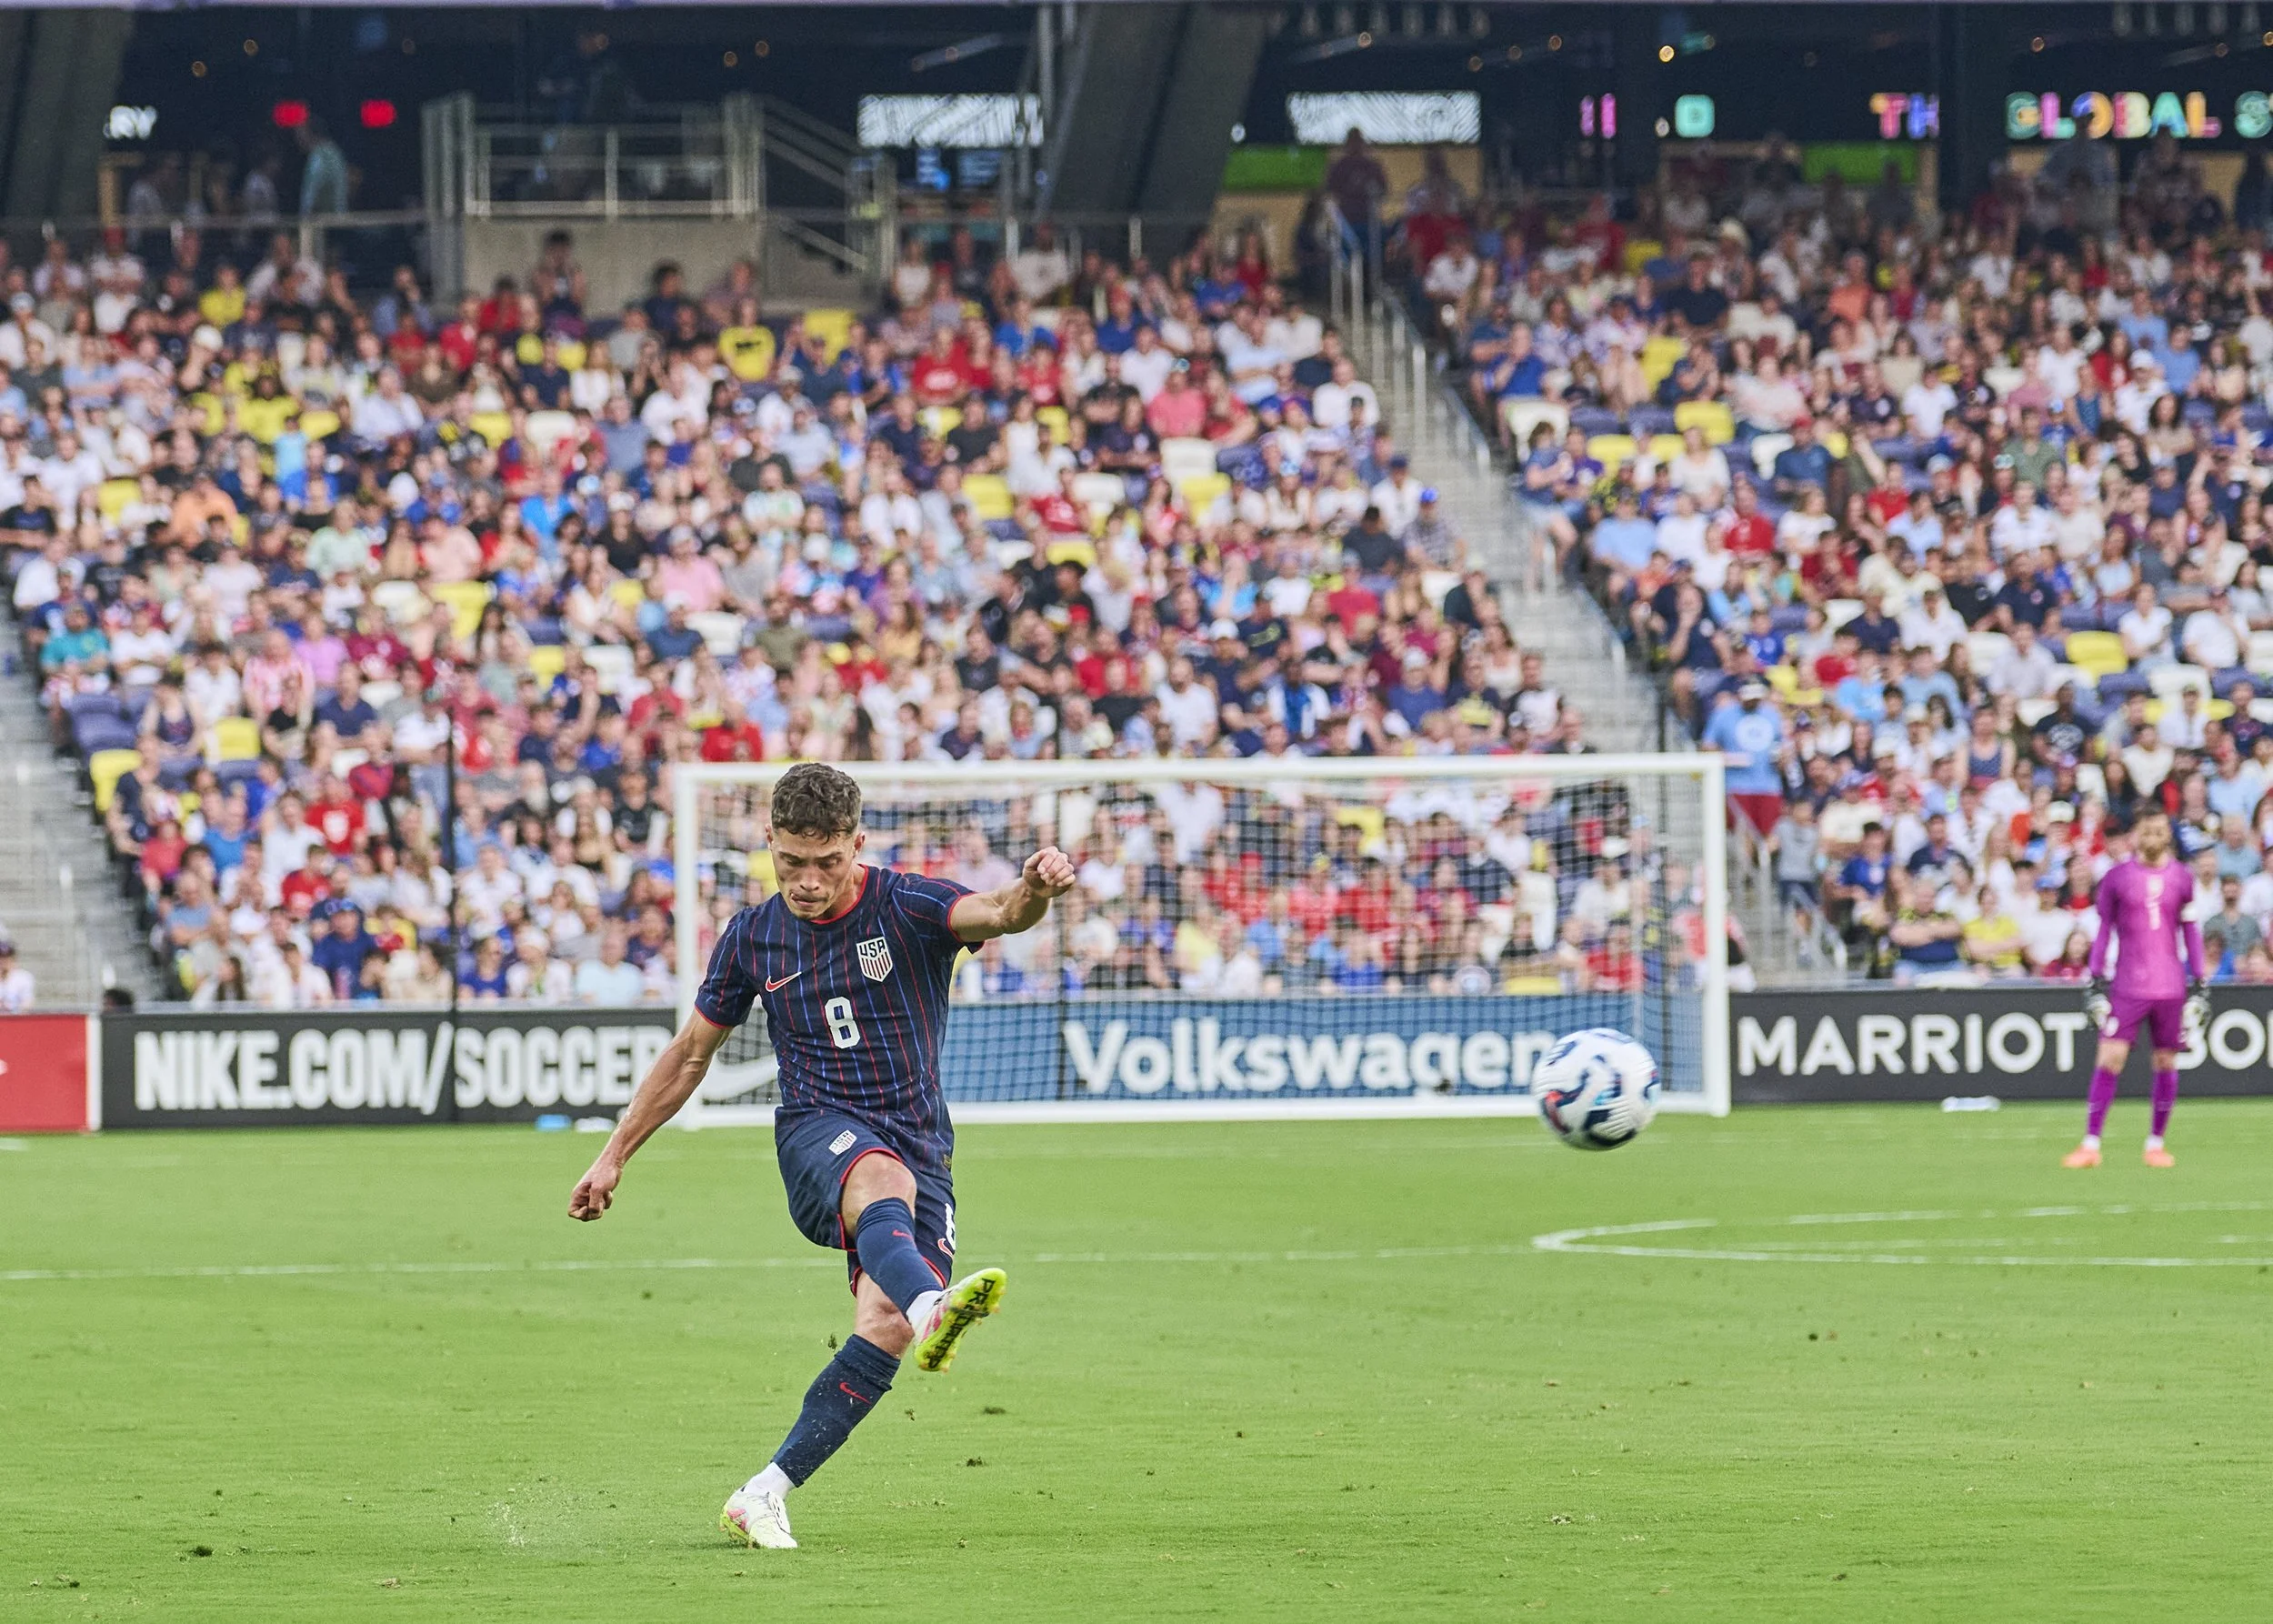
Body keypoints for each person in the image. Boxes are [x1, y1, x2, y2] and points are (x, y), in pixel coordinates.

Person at [566, 763, 1077, 1549]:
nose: (807, 881)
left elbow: (1004, 912)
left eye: (827, 862)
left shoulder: (907, 906)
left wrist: (1035, 888)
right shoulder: (753, 936)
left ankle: (763, 1493)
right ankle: (934, 1308)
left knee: (883, 1325)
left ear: (857, 845)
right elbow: (692, 1054)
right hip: (817, 1131)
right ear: (768, 840)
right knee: (882, 1184)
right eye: (791, 861)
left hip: (920, 1142)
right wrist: (614, 1156)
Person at [2068, 809, 2206, 1170]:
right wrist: (2095, 976)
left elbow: (2190, 931)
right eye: (2147, 831)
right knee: (2109, 1057)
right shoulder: (2117, 878)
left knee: (2166, 1061)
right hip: (2129, 983)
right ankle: (2091, 1143)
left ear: (2168, 835)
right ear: (2135, 835)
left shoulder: (2182, 877)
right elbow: (2103, 930)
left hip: (2170, 985)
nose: (2153, 837)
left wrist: (2200, 979)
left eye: (2159, 831)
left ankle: (2156, 1144)